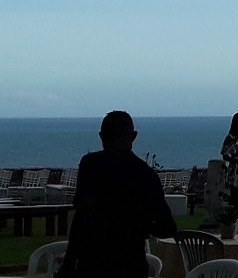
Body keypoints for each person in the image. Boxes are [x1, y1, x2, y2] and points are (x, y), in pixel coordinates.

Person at [56, 110, 177, 278]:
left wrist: (68, 266)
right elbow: (168, 228)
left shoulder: (91, 165)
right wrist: (139, 225)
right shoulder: (146, 174)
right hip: (132, 265)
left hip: (93, 265)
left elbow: (82, 219)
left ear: (101, 136)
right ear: (133, 136)